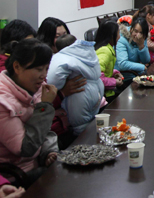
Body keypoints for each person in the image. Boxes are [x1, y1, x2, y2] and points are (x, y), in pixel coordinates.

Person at [0, 38, 58, 184]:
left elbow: (44, 129)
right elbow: (25, 148)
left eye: (46, 68)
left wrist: (49, 152)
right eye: (38, 69)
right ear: (17, 67)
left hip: (37, 163)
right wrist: (45, 106)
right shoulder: (3, 101)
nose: (43, 75)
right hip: (15, 177)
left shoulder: (35, 88)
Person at [46, 35, 104, 136]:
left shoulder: (61, 57)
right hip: (98, 91)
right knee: (92, 126)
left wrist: (60, 87)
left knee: (81, 130)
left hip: (79, 95)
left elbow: (52, 80)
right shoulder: (89, 52)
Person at [94, 20, 124, 101]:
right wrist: (115, 82)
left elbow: (104, 70)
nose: (119, 37)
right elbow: (98, 77)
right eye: (118, 33)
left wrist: (114, 72)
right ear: (111, 36)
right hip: (104, 96)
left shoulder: (106, 47)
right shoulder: (105, 51)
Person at [116, 17, 151, 82]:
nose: (138, 35)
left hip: (137, 74)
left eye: (141, 33)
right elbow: (122, 64)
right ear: (131, 29)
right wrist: (141, 67)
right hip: (124, 77)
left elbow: (146, 60)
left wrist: (141, 46)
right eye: (136, 31)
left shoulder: (142, 38)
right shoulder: (121, 39)